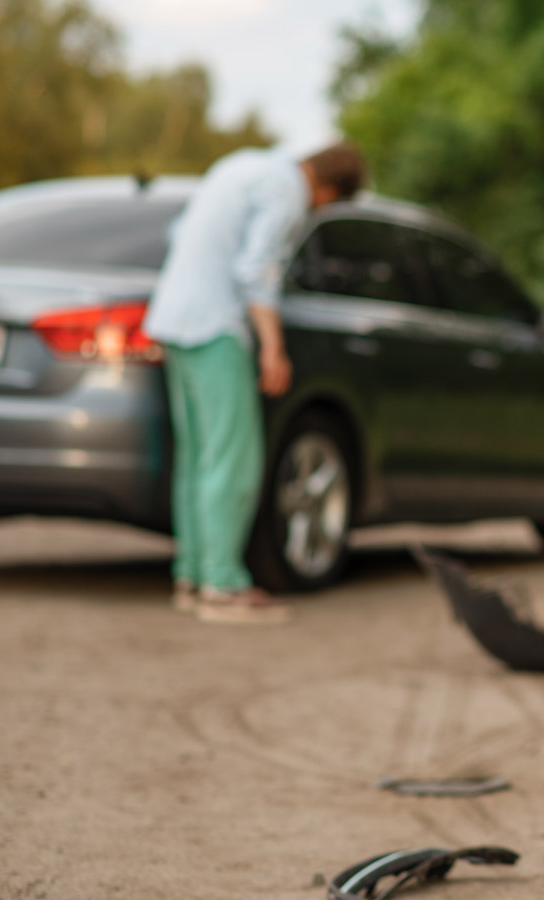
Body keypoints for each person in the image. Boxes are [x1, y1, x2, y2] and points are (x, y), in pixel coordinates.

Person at [144, 142, 366, 624]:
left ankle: (193, 575)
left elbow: (179, 231)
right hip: (216, 326)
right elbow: (256, 270)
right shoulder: (287, 191)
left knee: (200, 458)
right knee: (234, 460)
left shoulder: (240, 165)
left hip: (173, 318)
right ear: (327, 190)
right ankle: (222, 585)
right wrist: (272, 348)